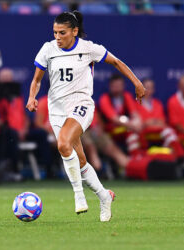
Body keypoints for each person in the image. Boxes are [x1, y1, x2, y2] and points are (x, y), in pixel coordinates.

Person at [26, 11, 146, 222]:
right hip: (57, 110)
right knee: (80, 161)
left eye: (62, 33)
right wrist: (32, 97)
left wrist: (137, 82)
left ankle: (78, 195)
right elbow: (36, 79)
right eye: (55, 32)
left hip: (81, 105)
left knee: (63, 144)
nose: (57, 37)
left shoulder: (89, 48)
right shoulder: (48, 49)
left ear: (74, 31)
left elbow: (117, 62)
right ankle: (103, 195)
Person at [136, 79, 184, 159]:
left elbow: (162, 122)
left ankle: (178, 158)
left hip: (159, 133)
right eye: (146, 87)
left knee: (170, 133)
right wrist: (150, 122)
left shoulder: (158, 104)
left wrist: (150, 122)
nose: (148, 90)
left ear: (153, 90)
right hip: (145, 134)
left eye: (150, 88)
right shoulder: (136, 104)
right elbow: (140, 124)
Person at [98, 74, 143, 156]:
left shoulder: (127, 96)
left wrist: (138, 122)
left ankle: (138, 160)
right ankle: (132, 162)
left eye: (119, 85)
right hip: (109, 131)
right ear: (110, 86)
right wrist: (132, 125)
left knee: (137, 133)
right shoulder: (104, 98)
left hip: (126, 129)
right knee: (131, 132)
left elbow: (134, 113)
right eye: (115, 86)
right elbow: (113, 118)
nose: (117, 88)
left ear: (123, 86)